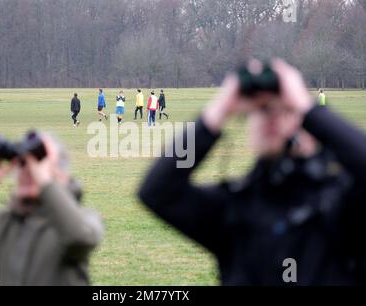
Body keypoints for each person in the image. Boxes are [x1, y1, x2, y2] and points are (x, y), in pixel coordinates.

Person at [138, 59, 366, 285]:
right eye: (262, 110)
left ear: (308, 125)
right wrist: (217, 112)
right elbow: (158, 192)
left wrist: (307, 108)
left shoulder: (340, 204)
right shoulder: (234, 207)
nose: (272, 118)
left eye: (284, 110)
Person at [0, 133, 104, 286]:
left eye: (37, 163)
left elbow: (80, 238)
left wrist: (46, 182)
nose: (28, 171)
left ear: (62, 172)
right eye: (22, 164)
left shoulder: (84, 220)